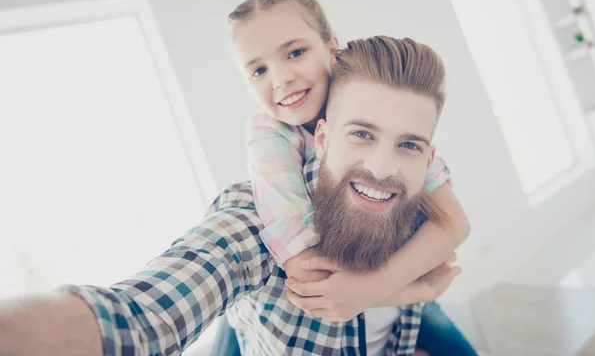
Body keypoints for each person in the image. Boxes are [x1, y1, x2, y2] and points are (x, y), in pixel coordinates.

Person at [0, 35, 459, 355]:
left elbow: (448, 240)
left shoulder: (425, 199)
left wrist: (391, 296)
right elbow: (139, 320)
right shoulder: (258, 220)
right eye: (361, 134)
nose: (382, 167)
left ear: (429, 157)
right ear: (320, 138)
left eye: (408, 145)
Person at [214, 0, 475, 355]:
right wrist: (419, 288)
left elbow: (453, 223)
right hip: (268, 308)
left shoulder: (373, 98)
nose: (280, 78)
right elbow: (307, 271)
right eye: (258, 69)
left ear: (331, 48)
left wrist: (373, 289)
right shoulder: (268, 133)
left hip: (383, 284)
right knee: (236, 323)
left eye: (296, 52)